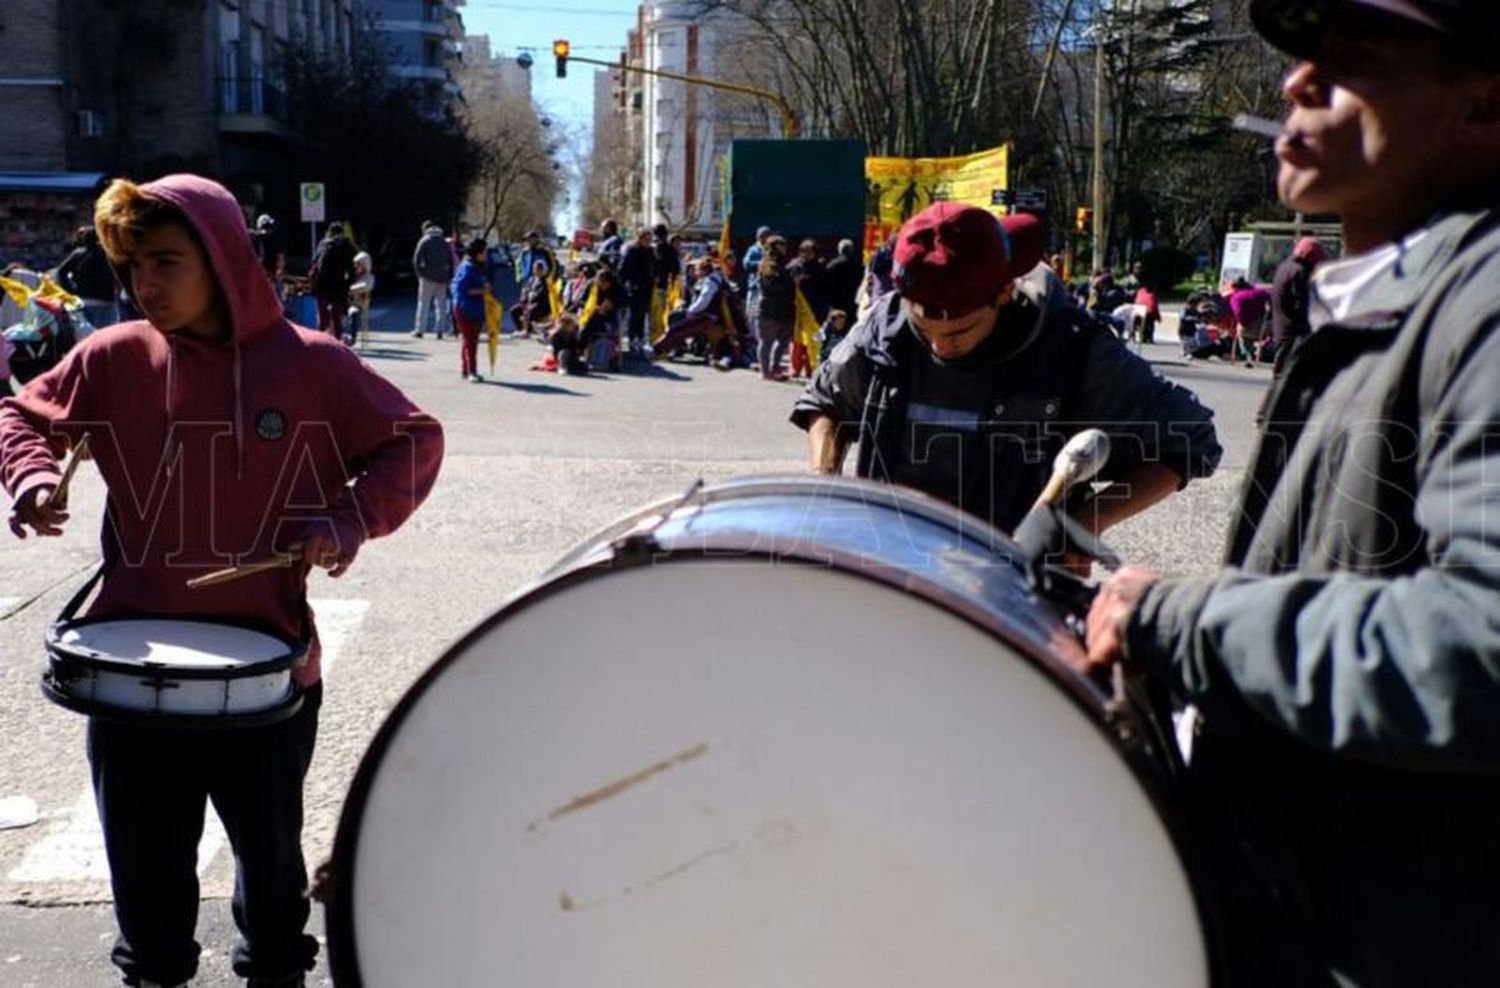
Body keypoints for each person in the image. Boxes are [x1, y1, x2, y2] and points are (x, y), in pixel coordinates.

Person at [1083, 2, 1500, 984]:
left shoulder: (1484, 306)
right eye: (1305, 58)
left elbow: (1481, 645)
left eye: (1354, 61)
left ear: (1486, 101)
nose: (1296, 86)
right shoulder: (1387, 296)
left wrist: (1185, 620)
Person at [0, 174, 443, 988]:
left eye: (167, 262)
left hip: (270, 676)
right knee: (144, 893)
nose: (147, 286)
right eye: (135, 267)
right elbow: (20, 412)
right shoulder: (111, 356)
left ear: (224, 259)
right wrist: (30, 478)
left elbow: (413, 439)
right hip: (130, 677)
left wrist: (347, 520)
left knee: (272, 889)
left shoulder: (313, 366)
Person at [791, 202, 1220, 536]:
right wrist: (823, 485)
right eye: (926, 328)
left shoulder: (1073, 347)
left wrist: (1083, 526)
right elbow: (825, 401)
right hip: (892, 568)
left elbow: (1190, 441)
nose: (941, 345)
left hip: (1013, 590)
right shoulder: (887, 327)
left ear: (1004, 291)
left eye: (960, 331)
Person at [1269, 235, 1329, 356]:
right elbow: (1301, 304)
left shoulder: (1284, 267)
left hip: (1282, 328)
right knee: (1289, 369)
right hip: (1295, 332)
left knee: (1282, 369)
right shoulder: (1300, 271)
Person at [54, 226, 117, 329]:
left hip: (83, 300)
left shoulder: (77, 254)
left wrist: (69, 290)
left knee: (84, 336)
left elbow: (61, 271)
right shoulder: (107, 254)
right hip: (105, 301)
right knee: (104, 335)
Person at [755, 236, 796, 381]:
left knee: (784, 341)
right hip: (769, 309)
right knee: (767, 342)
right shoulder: (766, 264)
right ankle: (766, 372)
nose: (784, 248)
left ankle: (775, 367)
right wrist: (790, 282)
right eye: (781, 245)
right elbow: (770, 287)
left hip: (785, 309)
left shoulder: (785, 263)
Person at [450, 237, 490, 383]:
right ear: (477, 253)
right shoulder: (467, 267)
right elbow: (463, 289)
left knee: (469, 341)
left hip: (473, 309)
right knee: (470, 342)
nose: (486, 255)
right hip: (465, 308)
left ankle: (466, 370)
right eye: (484, 252)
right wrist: (482, 290)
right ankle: (472, 371)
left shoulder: (475, 266)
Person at [309, 222, 355, 336]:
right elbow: (351, 267)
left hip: (321, 284)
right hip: (337, 285)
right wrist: (348, 285)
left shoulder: (322, 243)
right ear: (341, 233)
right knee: (336, 317)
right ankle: (337, 343)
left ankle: (320, 342)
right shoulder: (345, 243)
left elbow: (314, 262)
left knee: (323, 317)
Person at [411, 222, 454, 340]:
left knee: (423, 304)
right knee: (441, 305)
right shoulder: (444, 242)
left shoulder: (424, 241)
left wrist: (420, 274)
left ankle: (420, 330)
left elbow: (416, 260)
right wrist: (449, 276)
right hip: (442, 278)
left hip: (427, 278)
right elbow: (451, 260)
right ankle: (440, 330)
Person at [618, 228, 654, 357]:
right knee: (629, 321)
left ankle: (638, 346)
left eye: (650, 240)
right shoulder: (631, 251)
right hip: (632, 290)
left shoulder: (649, 251)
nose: (649, 242)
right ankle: (625, 348)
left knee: (640, 320)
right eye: (647, 239)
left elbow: (651, 269)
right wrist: (629, 284)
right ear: (640, 238)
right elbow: (622, 271)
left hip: (645, 291)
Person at [1227, 275, 1273, 364]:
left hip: (1248, 328)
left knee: (1240, 331)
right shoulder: (1262, 292)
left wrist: (1244, 323)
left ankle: (1247, 353)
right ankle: (1260, 351)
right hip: (1265, 327)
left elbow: (1239, 313)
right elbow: (1273, 305)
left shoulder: (1236, 297)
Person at [249, 214, 285, 298]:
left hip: (258, 274)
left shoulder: (252, 237)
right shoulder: (275, 238)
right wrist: (280, 270)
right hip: (270, 274)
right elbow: (281, 257)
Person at [347, 250, 375, 348]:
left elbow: (364, 286)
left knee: (354, 312)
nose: (356, 267)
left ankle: (352, 338)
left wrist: (350, 289)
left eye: (358, 264)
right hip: (348, 302)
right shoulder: (353, 276)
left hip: (360, 304)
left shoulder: (369, 277)